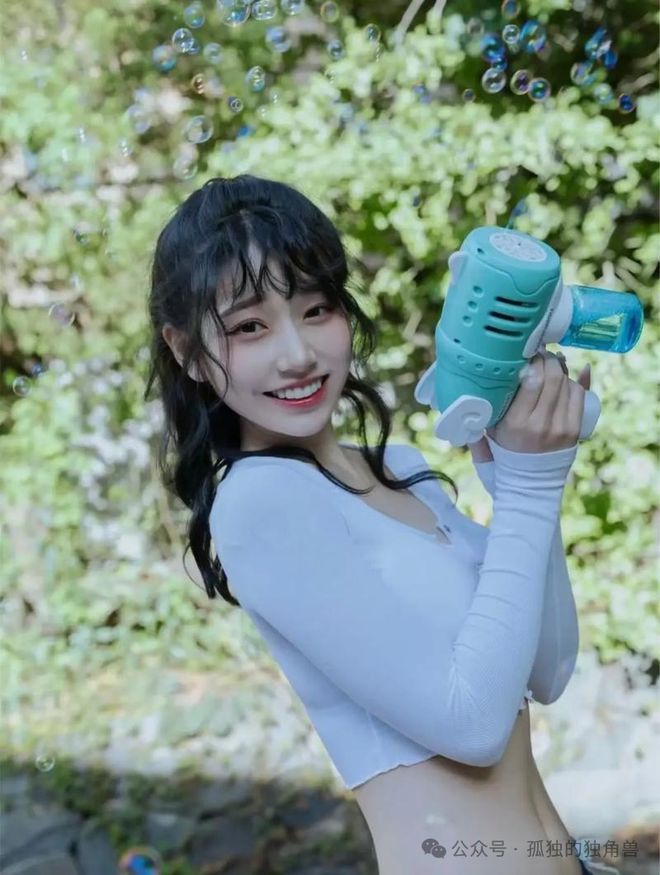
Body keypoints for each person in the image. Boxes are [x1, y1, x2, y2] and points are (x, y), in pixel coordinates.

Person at [145, 175, 617, 875]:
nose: (297, 353)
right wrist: (527, 489)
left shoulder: (400, 466)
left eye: (316, 309)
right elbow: (472, 727)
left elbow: (547, 670)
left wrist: (520, 472)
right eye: (249, 327)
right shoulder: (260, 501)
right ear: (186, 350)